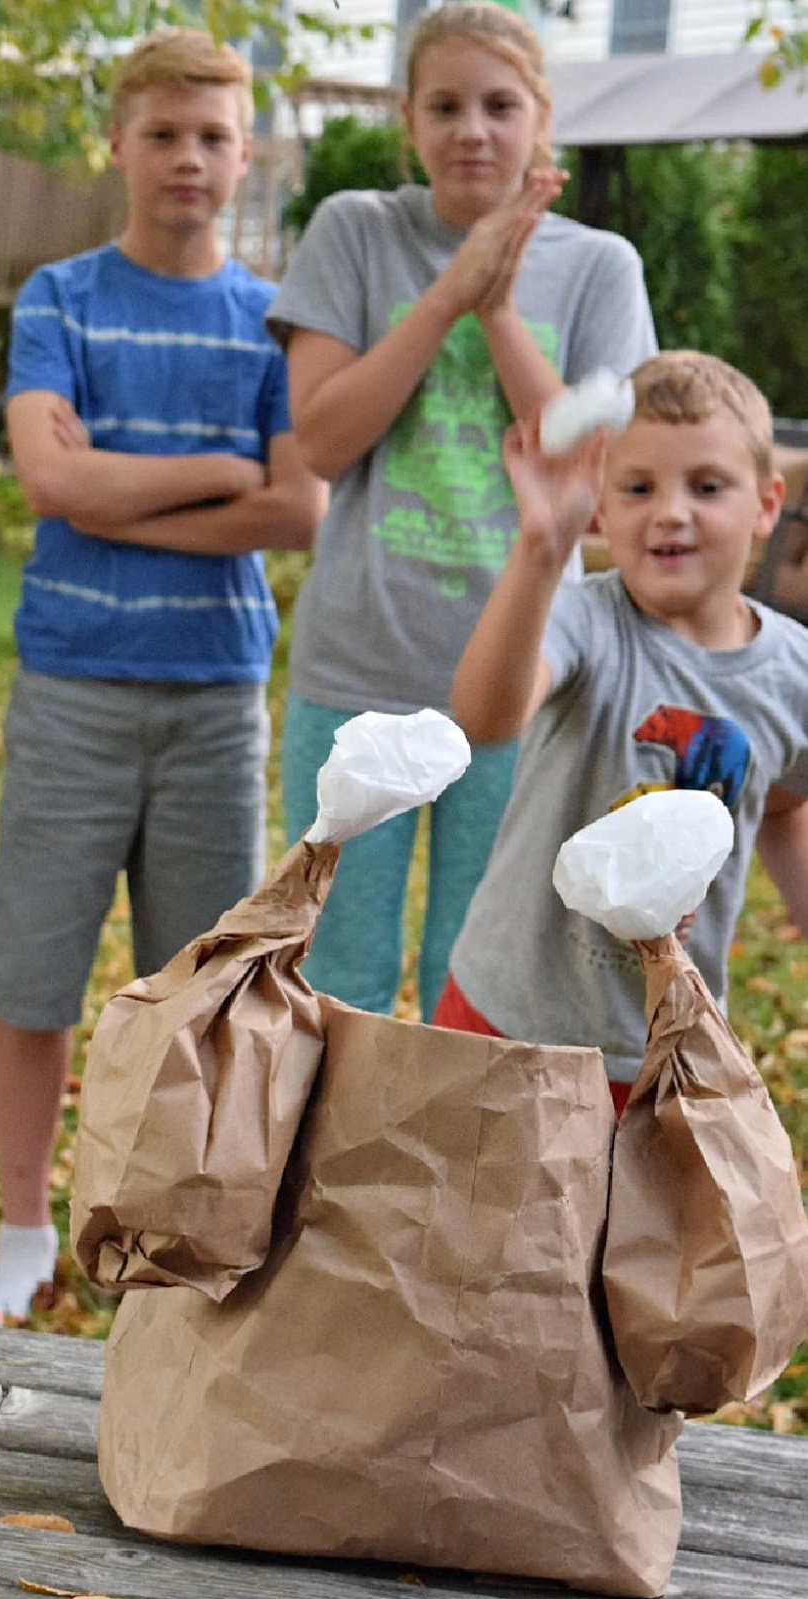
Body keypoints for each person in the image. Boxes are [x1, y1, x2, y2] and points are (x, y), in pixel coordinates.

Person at [0, 29, 323, 1325]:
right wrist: (220, 473)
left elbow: (302, 510)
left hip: (216, 693)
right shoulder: (57, 297)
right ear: (115, 143)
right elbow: (50, 481)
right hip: (73, 682)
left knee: (204, 991)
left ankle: (180, 1238)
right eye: (163, 133)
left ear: (246, 155)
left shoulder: (273, 323)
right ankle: (21, 1232)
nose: (188, 157)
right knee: (34, 974)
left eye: (213, 137)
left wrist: (127, 493)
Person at [266, 0, 657, 1021]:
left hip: (525, 684)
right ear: (407, 119)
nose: (470, 129)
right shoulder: (355, 230)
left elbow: (601, 472)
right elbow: (320, 439)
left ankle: (447, 1190)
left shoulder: (597, 266)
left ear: (540, 119)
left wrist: (494, 310)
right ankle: (322, 1185)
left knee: (477, 985)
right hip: (355, 674)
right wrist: (443, 296)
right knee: (331, 980)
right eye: (443, 106)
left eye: (497, 105)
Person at [435, 350, 808, 1114]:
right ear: (602, 509)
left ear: (767, 504)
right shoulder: (580, 618)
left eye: (707, 486)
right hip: (506, 1030)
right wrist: (540, 548)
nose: (670, 511)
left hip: (666, 1051)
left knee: (632, 1239)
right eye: (638, 488)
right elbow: (486, 716)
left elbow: (786, 804)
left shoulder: (794, 671)